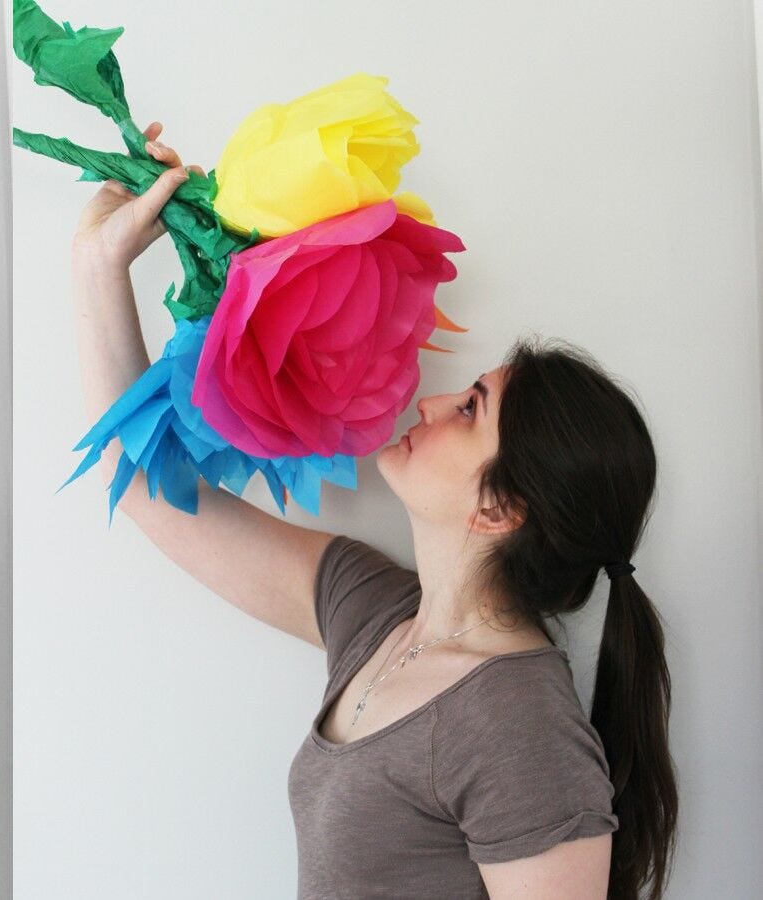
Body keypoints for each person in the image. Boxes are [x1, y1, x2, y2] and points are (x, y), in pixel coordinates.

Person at [66, 120, 677, 899]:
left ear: (501, 509)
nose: (433, 399)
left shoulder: (519, 727)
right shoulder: (372, 613)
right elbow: (145, 482)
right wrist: (98, 263)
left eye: (471, 409)